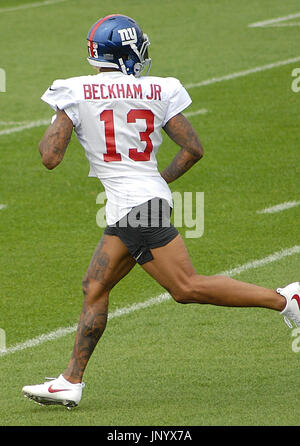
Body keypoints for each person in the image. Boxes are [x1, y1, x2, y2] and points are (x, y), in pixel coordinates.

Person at [22, 14, 300, 409]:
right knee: (94, 287)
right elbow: (193, 150)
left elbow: (50, 157)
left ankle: (286, 299)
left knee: (185, 287)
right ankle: (70, 380)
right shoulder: (157, 88)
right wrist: (157, 184)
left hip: (133, 207)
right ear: (128, 52)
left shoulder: (73, 89)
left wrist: (63, 113)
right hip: (138, 202)